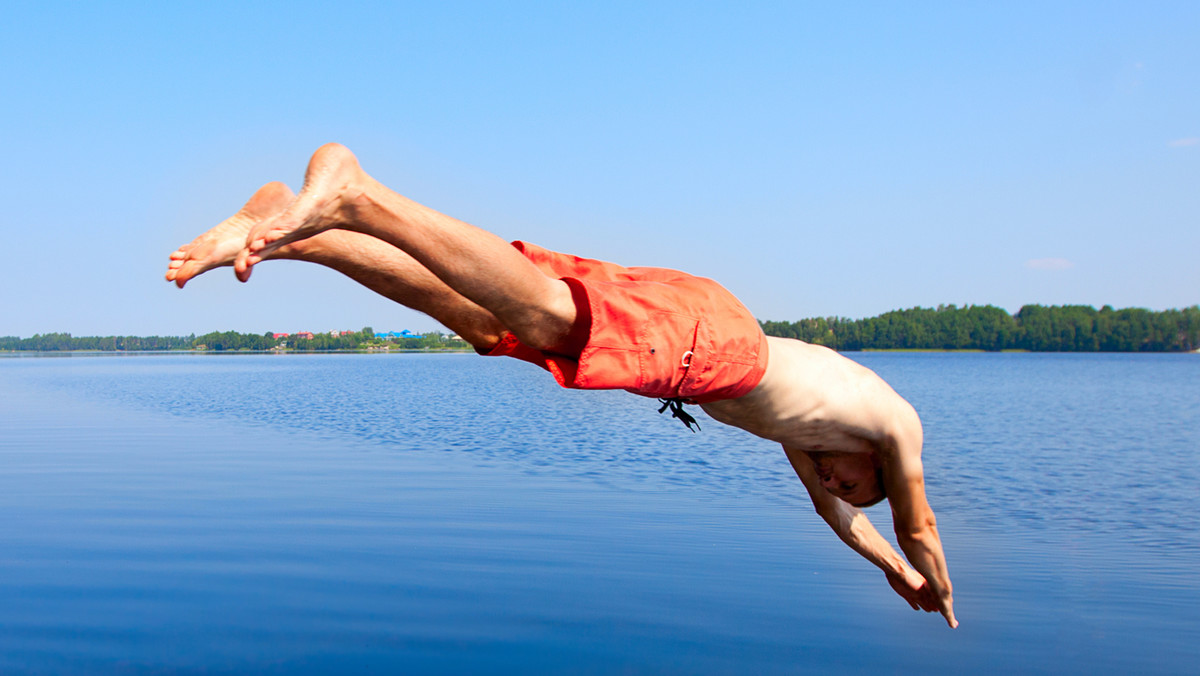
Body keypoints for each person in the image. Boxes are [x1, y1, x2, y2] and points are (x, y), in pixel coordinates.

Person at [166, 144, 957, 627]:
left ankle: (296, 232)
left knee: (487, 327)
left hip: (702, 333)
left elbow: (839, 521)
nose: (837, 486)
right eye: (857, 485)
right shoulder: (893, 425)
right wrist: (934, 586)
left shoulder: (809, 435)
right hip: (711, 345)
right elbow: (917, 523)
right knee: (544, 316)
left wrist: (886, 569)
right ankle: (358, 194)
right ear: (874, 464)